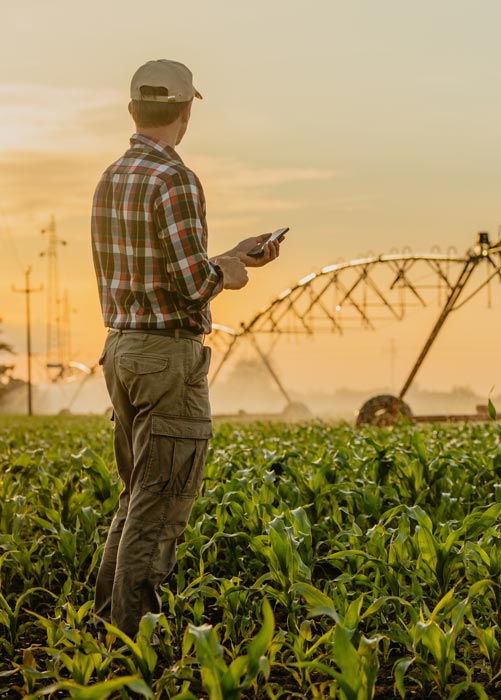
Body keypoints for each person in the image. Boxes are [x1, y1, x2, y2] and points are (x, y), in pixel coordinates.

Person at [90, 59, 281, 638]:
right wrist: (229, 273)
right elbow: (192, 284)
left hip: (122, 349)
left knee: (135, 495)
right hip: (167, 357)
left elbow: (156, 269)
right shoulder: (175, 179)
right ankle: (136, 645)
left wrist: (226, 255)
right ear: (186, 110)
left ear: (132, 111)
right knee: (162, 500)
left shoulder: (113, 176)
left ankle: (105, 630)